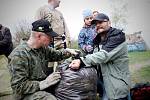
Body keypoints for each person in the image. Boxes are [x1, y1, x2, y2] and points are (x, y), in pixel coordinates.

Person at [8, 19, 78, 100]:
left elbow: (58, 54)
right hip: (26, 94)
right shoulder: (19, 55)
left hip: (44, 87)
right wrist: (43, 83)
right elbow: (18, 87)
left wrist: (69, 51)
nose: (52, 40)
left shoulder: (44, 49)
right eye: (49, 36)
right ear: (39, 36)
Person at [69, 13, 131, 100]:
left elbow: (103, 55)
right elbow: (94, 56)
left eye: (101, 22)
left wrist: (81, 61)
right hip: (105, 84)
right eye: (95, 24)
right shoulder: (98, 41)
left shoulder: (117, 36)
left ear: (109, 23)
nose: (98, 25)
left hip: (116, 85)